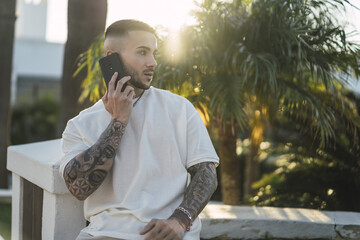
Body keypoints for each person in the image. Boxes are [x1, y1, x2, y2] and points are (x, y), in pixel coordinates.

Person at [59, 19, 219, 240]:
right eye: (142, 52)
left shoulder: (180, 109)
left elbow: (206, 173)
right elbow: (79, 188)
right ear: (111, 59)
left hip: (169, 234)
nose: (152, 62)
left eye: (154, 53)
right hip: (104, 235)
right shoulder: (80, 125)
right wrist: (119, 121)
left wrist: (180, 220)